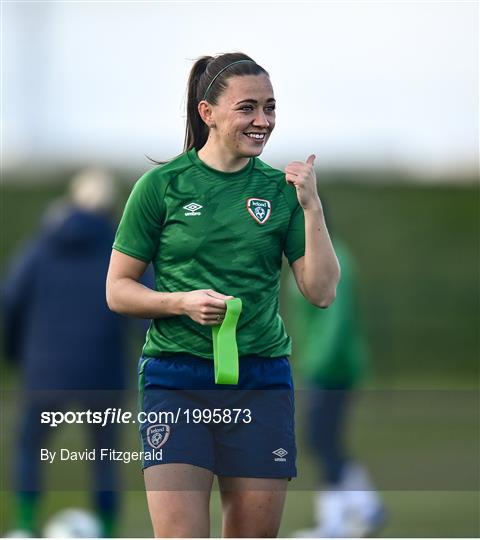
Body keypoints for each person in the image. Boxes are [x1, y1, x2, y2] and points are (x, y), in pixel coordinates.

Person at [106, 51, 340, 538]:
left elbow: (320, 292)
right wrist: (181, 302)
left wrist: (312, 207)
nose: (263, 121)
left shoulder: (282, 192)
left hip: (261, 381)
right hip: (176, 379)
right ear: (207, 113)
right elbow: (118, 291)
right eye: (248, 108)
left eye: (270, 108)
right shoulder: (160, 187)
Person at [3, 169, 125, 538]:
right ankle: (105, 530)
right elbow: (145, 309)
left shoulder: (38, 248)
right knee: (104, 456)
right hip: (103, 369)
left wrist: (13, 356)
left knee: (29, 448)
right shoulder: (119, 249)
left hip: (44, 369)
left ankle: (24, 527)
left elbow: (9, 303)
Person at [288, 233, 386, 538]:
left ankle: (335, 523)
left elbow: (335, 318)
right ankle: (365, 506)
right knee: (325, 440)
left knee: (319, 438)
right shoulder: (310, 255)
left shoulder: (332, 257)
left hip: (332, 367)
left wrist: (320, 364)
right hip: (325, 364)